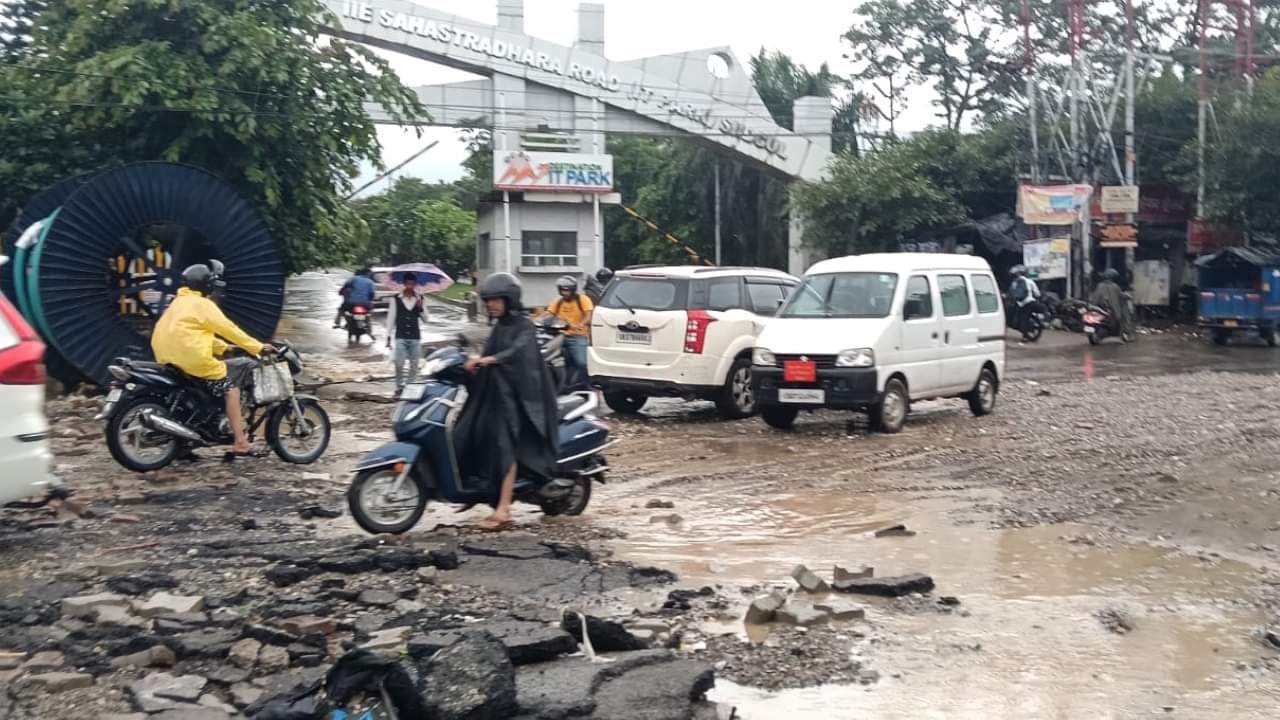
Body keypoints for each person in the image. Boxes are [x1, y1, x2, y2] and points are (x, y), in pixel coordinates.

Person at [453, 273, 559, 531]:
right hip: (498, 395)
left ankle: (505, 509)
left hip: (521, 400)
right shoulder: (500, 326)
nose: (490, 305)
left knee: (505, 445)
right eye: (487, 301)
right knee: (470, 431)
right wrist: (471, 363)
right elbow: (491, 352)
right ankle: (482, 494)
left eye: (495, 300)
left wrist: (487, 360)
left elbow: (517, 352)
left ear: (509, 299)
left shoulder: (524, 325)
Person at [152, 262, 275, 457]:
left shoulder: (178, 302)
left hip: (168, 357)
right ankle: (241, 442)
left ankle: (185, 442)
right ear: (205, 285)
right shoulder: (204, 305)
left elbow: (192, 333)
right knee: (231, 390)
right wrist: (258, 346)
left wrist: (224, 347)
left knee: (195, 393)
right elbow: (229, 329)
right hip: (192, 359)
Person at [540, 275, 593, 388]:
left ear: (573, 290)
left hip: (577, 336)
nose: (565, 293)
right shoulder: (558, 301)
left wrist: (580, 325)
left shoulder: (583, 299)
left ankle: (588, 385)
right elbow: (548, 314)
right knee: (545, 356)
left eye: (567, 290)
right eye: (562, 290)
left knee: (582, 363)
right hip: (559, 335)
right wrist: (537, 321)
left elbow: (589, 316)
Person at [386, 274, 427, 392]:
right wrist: (388, 336)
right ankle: (399, 385)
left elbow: (426, 319)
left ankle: (410, 386)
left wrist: (420, 308)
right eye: (408, 284)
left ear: (415, 285)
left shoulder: (420, 299)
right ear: (404, 284)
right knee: (399, 363)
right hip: (400, 336)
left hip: (415, 337)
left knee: (414, 364)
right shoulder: (395, 299)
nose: (410, 286)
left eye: (412, 284)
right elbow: (391, 318)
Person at [1091, 267, 1133, 336]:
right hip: (1112, 310)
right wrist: (1127, 296)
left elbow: (1095, 297)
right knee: (1123, 315)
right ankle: (1125, 331)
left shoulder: (1100, 285)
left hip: (1100, 308)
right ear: (1113, 277)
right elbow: (1121, 296)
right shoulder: (1115, 286)